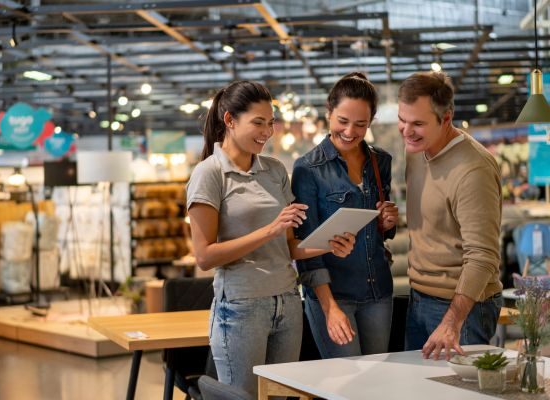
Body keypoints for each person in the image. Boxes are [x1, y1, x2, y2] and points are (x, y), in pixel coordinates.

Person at [186, 80, 355, 396]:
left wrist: (327, 243)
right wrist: (270, 229)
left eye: (270, 122)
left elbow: (289, 246)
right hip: (240, 308)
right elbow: (205, 256)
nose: (267, 131)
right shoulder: (208, 174)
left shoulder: (275, 170)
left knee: (282, 395)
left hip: (288, 304)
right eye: (258, 123)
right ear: (230, 121)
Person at [291, 72, 399, 358]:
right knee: (345, 385)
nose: (350, 131)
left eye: (360, 124)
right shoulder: (308, 169)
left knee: (377, 383)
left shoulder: (381, 162)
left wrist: (387, 223)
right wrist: (329, 307)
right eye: (342, 121)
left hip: (378, 292)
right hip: (333, 295)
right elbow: (306, 249)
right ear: (328, 113)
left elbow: (380, 230)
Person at [397, 71, 503, 360]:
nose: (407, 131)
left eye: (418, 123)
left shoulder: (473, 170)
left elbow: (483, 256)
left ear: (446, 119)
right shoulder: (416, 150)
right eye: (402, 120)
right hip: (418, 297)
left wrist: (451, 322)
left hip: (462, 309)